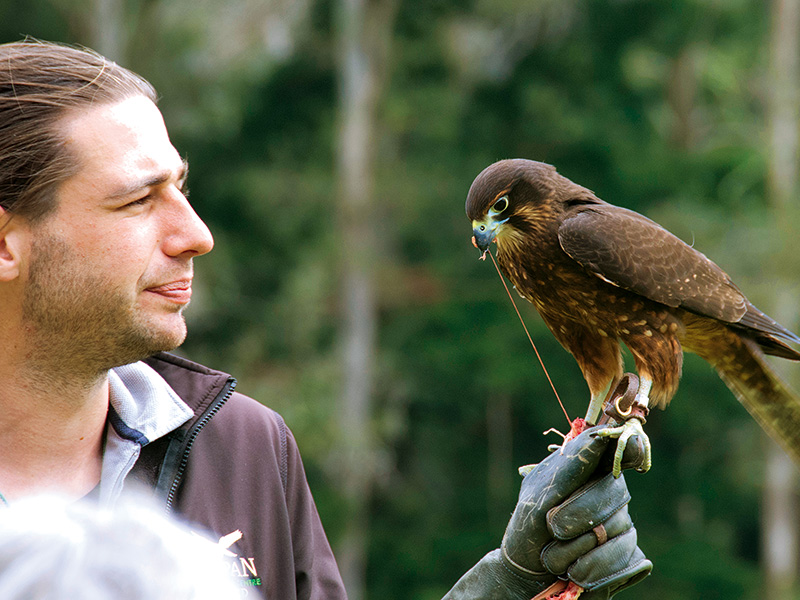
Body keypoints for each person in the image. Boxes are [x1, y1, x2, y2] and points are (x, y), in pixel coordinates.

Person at [0, 39, 651, 599]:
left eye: (182, 189)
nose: (195, 234)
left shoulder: (244, 449)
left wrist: (511, 579)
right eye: (139, 201)